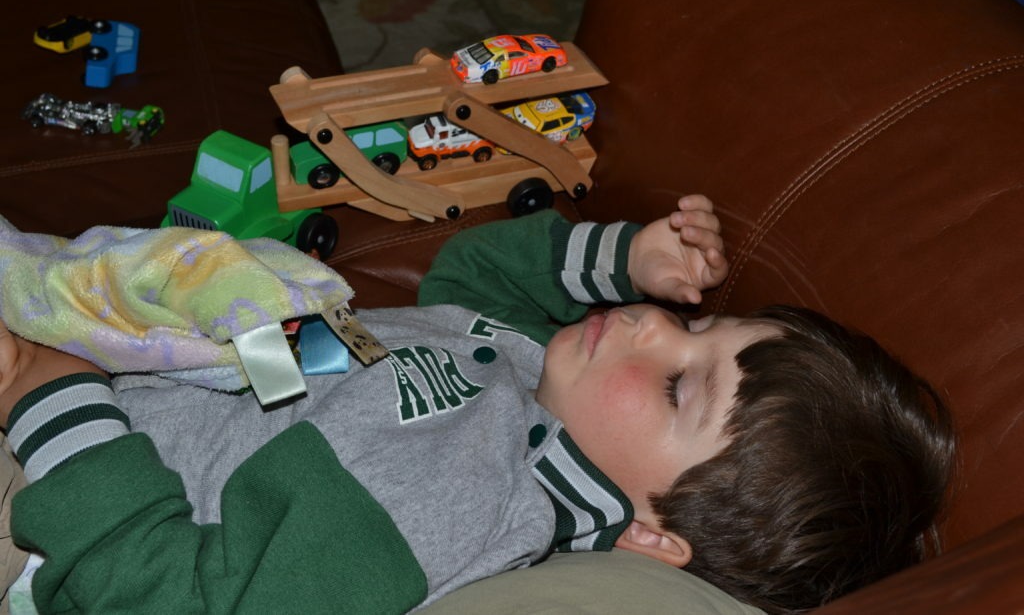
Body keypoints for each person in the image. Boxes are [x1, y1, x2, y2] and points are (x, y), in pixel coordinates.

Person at [0, 196, 954, 614]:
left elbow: (185, 602)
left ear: (655, 533)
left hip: (60, 496)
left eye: (678, 384)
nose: (648, 325)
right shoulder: (523, 377)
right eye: (699, 324)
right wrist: (617, 254)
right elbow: (458, 279)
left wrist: (50, 404)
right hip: (157, 365)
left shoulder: (458, 497)